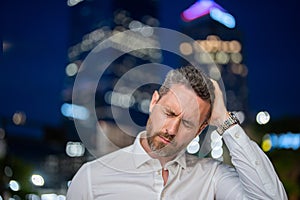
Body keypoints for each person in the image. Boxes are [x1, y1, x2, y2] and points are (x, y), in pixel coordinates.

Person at [66, 65, 287, 200]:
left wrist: (224, 120)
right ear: (154, 101)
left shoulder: (212, 176)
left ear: (200, 130)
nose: (171, 130)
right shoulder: (91, 178)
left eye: (188, 123)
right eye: (169, 112)